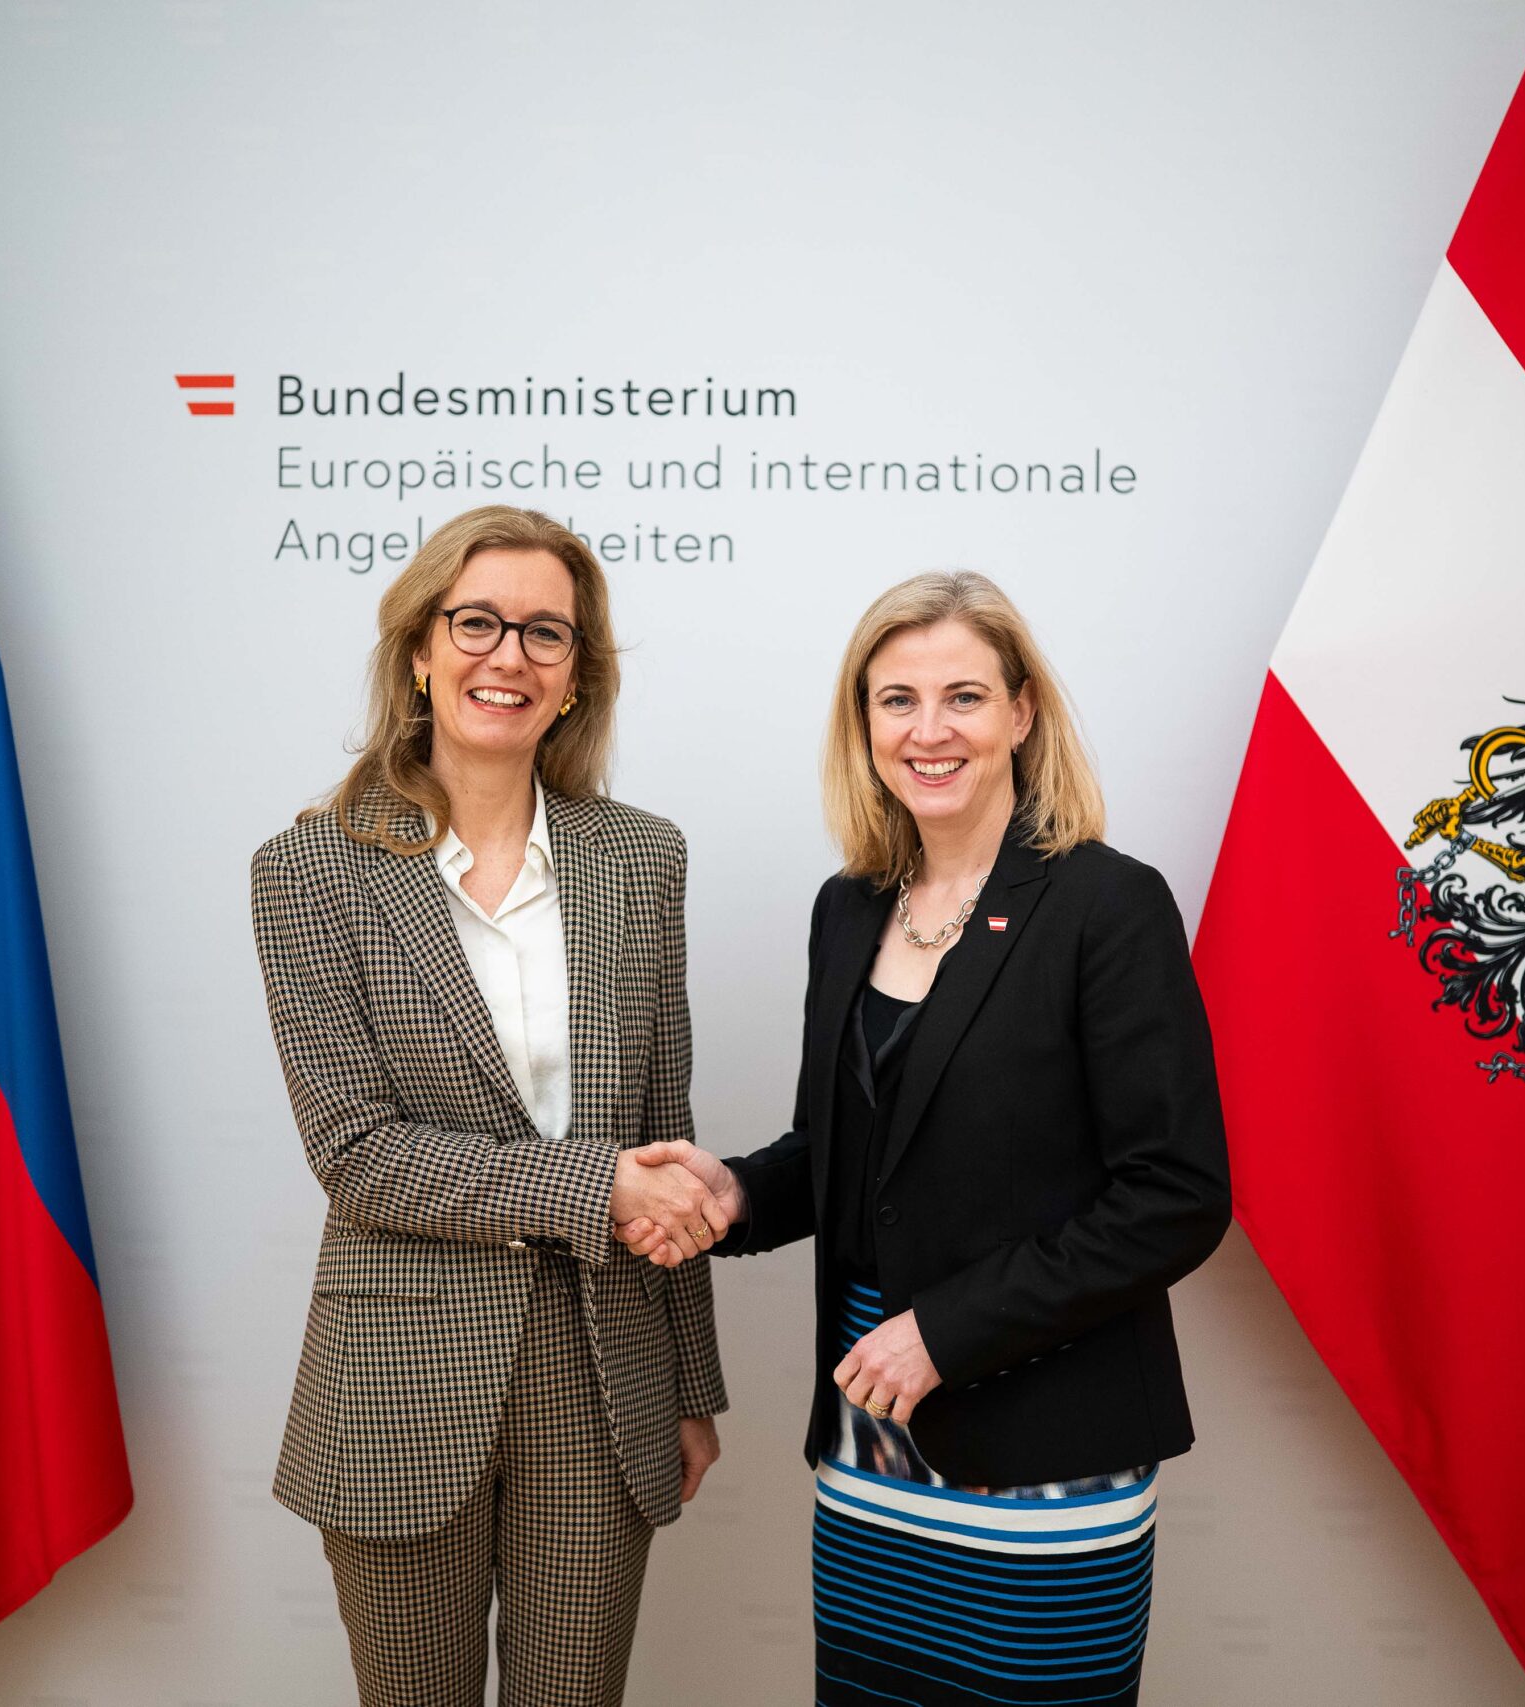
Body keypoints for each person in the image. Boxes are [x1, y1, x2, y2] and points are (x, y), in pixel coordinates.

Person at [623, 570, 1232, 1705]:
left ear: (1020, 715)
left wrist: (945, 1334)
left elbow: (1176, 1195)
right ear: (863, 725)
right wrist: (733, 1196)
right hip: (871, 1454)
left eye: (962, 695)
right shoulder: (848, 906)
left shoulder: (1107, 906)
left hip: (1043, 1460)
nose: (929, 729)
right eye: (895, 699)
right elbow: (853, 1158)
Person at [250, 505, 732, 1707]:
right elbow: (358, 1157)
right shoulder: (308, 871)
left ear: (576, 677)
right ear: (420, 649)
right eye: (476, 623)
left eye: (545, 635)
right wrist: (596, 1188)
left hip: (602, 1372)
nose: (506, 657)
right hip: (397, 1383)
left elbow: (664, 1117)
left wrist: (689, 1381)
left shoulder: (643, 859)